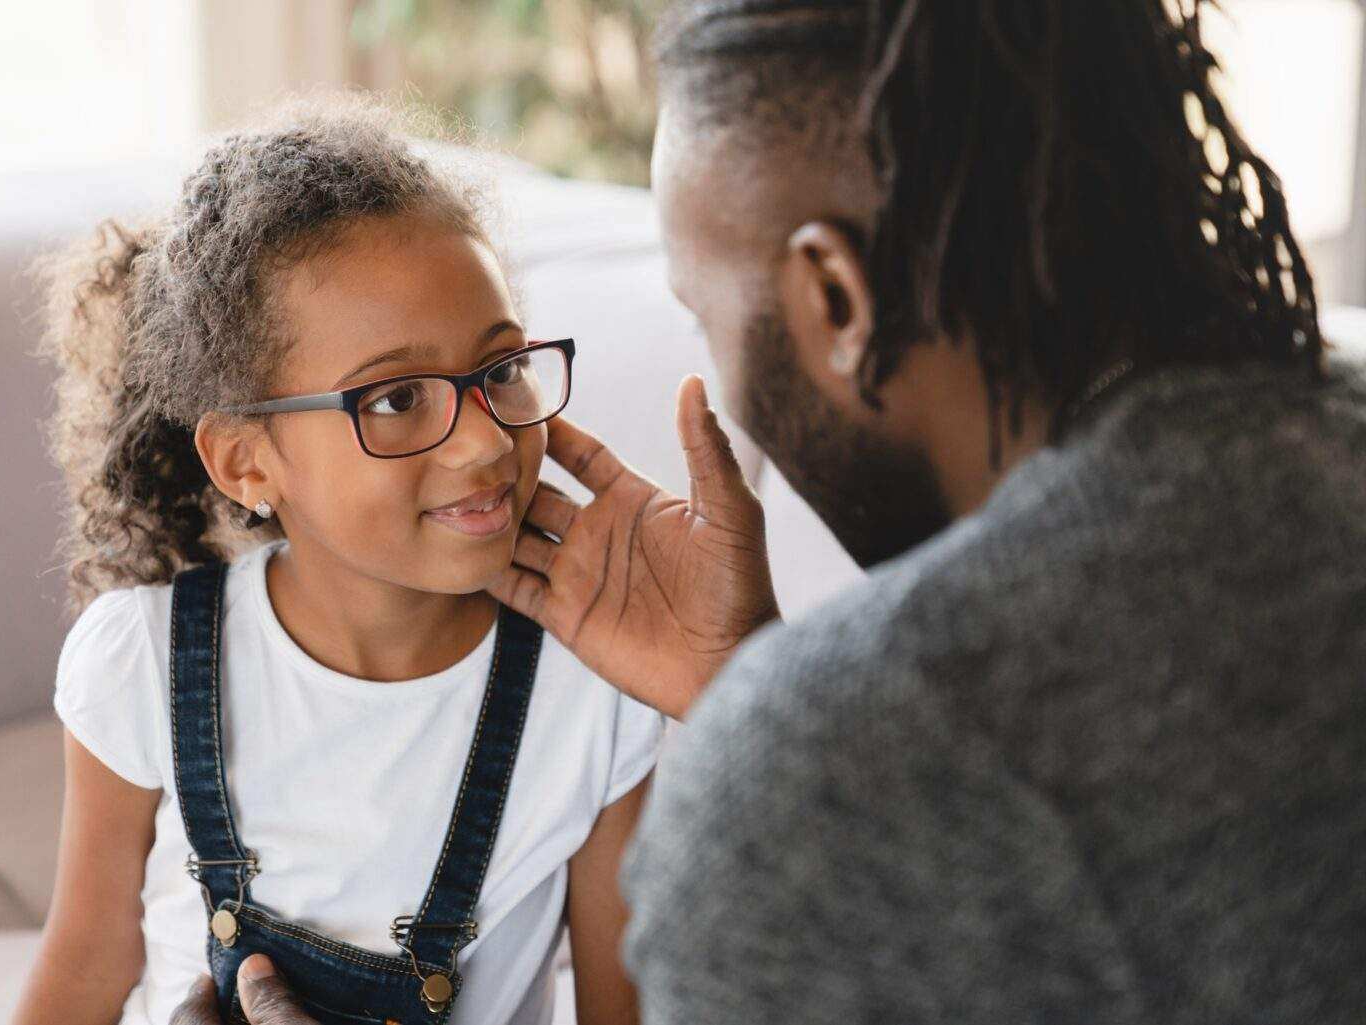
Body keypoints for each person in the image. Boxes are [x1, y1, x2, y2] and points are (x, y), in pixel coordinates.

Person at [172, 1, 1366, 1023]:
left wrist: (794, 725)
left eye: (706, 310)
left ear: (833, 296)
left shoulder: (824, 785)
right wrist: (759, 677)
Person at [12, 95, 662, 1025]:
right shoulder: (145, 661)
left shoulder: (595, 686)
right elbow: (81, 971)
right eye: (397, 398)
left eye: (500, 370)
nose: (482, 442)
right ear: (247, 461)